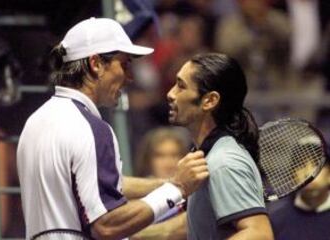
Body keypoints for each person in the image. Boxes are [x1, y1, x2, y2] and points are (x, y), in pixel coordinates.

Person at [16, 17, 209, 239]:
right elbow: (107, 226)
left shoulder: (35, 122)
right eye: (124, 64)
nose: (129, 77)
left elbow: (92, 181)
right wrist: (177, 189)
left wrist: (167, 182)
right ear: (96, 63)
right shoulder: (91, 129)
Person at [166, 53, 274, 239]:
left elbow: (259, 234)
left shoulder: (224, 162)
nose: (170, 94)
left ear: (209, 101)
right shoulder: (210, 155)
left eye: (181, 86)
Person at [267, 146, 330, 240]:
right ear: (292, 174)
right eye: (301, 164)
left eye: (317, 163)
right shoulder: (274, 222)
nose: (308, 172)